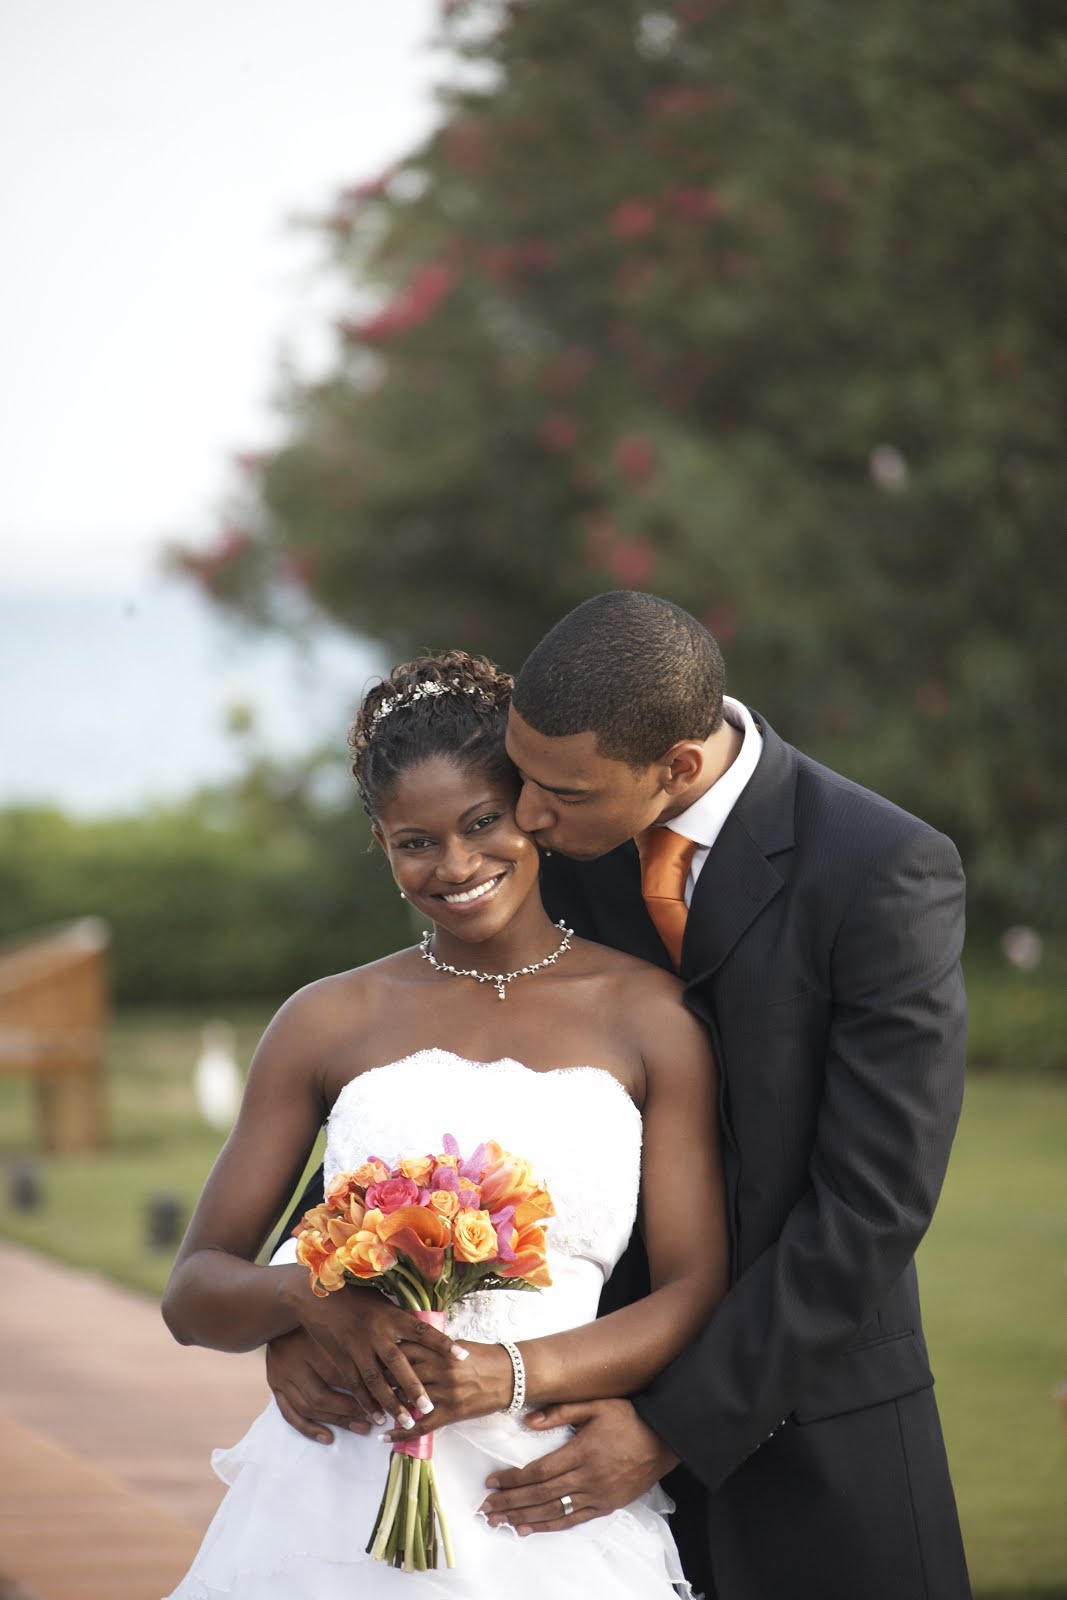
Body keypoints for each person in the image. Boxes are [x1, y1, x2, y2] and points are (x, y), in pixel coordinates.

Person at [270, 593, 972, 1600]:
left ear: (676, 767)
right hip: (550, 1432)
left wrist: (672, 1426)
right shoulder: (561, 838)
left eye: (557, 793)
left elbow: (871, 1204)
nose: (528, 817)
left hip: (814, 1428)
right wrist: (315, 1300)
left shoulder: (881, 870)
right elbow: (435, 1074)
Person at [160, 647, 728, 1600]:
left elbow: (690, 1285)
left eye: (482, 822)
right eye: (413, 841)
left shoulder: (652, 1018)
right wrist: (306, 1301)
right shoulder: (325, 1019)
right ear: (381, 846)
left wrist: (506, 1373)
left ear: (534, 812)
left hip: (545, 1488)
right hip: (334, 1490)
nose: (456, 865)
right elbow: (193, 1291)